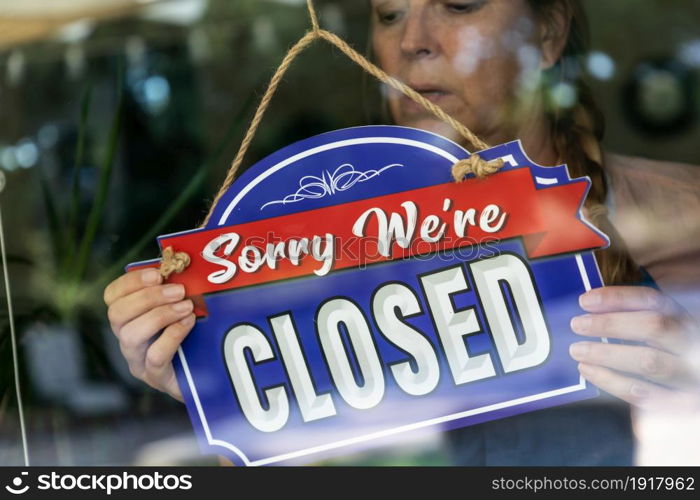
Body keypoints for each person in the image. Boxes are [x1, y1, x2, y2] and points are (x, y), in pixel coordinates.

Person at [103, 0, 700, 465]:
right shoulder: (316, 256)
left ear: (547, 35)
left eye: (459, 6)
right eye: (389, 15)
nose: (412, 42)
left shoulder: (679, 216)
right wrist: (213, 385)